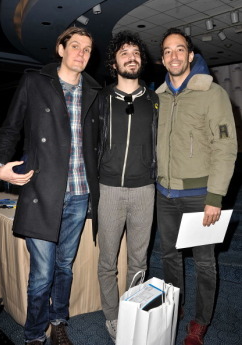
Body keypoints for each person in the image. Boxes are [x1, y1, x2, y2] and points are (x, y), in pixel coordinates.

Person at [0, 26, 101, 345]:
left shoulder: (94, 90)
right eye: (76, 46)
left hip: (80, 194)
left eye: (87, 49)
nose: (81, 53)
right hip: (43, 193)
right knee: (42, 273)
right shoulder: (34, 82)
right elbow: (9, 131)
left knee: (65, 265)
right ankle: (35, 335)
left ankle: (59, 322)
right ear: (60, 49)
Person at [155, 28, 237, 345]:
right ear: (162, 59)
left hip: (201, 195)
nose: (173, 56)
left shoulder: (211, 93)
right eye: (167, 51)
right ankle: (174, 308)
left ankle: (200, 322)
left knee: (204, 262)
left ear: (190, 55)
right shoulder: (159, 96)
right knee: (170, 258)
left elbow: (225, 147)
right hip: (165, 194)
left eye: (179, 50)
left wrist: (215, 196)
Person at [97, 31, 159, 343]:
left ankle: (133, 312)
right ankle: (112, 317)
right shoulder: (101, 99)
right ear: (114, 62)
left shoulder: (154, 100)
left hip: (145, 190)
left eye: (135, 52)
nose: (131, 56)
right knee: (107, 263)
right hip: (109, 189)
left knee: (139, 261)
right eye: (124, 52)